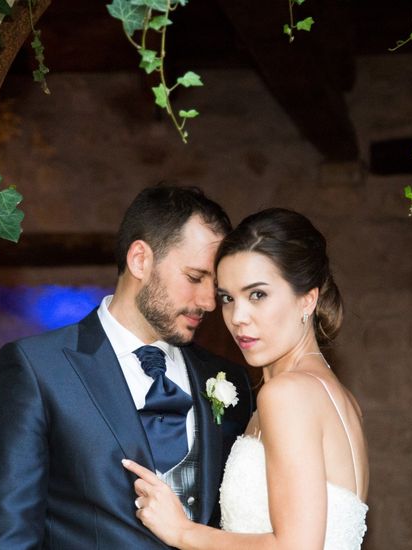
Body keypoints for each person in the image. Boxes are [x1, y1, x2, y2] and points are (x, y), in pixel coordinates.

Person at [0, 185, 253, 549]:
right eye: (195, 278)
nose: (207, 302)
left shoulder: (230, 379)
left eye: (214, 286)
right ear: (140, 259)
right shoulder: (38, 369)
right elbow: (7, 538)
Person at [122, 208, 369, 550]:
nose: (238, 317)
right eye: (227, 298)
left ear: (307, 299)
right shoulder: (337, 397)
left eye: (257, 295)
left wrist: (182, 532)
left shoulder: (287, 394)